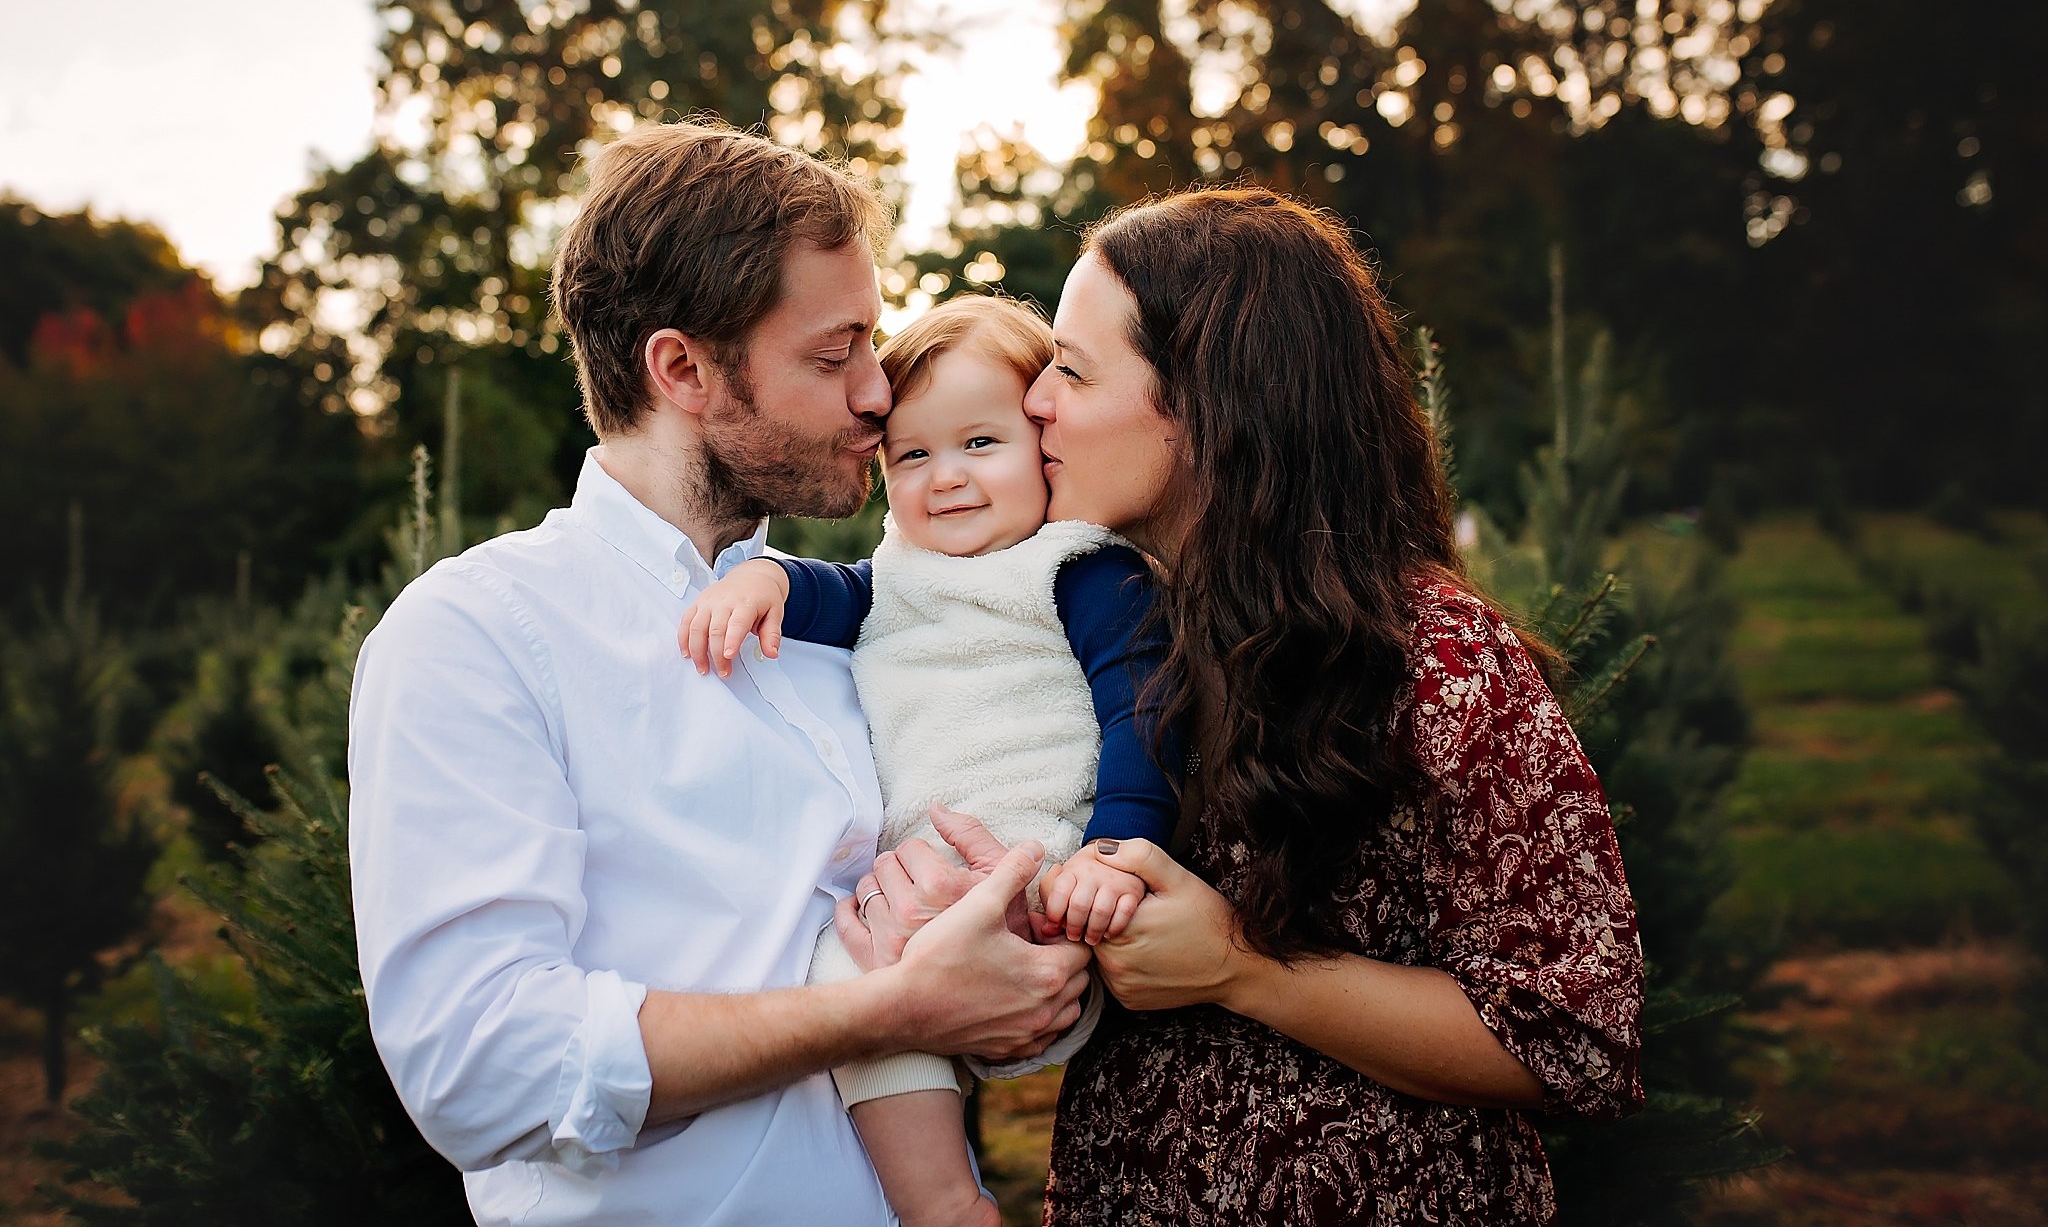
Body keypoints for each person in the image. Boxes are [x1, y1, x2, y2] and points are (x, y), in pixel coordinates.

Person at [845, 186, 1645, 1225]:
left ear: (1204, 405)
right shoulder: (1108, 632)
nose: (1033, 402)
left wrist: (1239, 967)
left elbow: (1574, 1040)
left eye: (1072, 373)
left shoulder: (1435, 659)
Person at [347, 120, 1093, 1226]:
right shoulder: (476, 634)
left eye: (871, 346)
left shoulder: (846, 621)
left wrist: (999, 946)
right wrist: (887, 1010)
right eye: (833, 354)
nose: (879, 395)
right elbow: (480, 1066)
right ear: (683, 368)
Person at [678, 294, 1183, 1227]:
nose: (945, 477)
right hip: (915, 895)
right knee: (842, 976)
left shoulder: (1078, 568)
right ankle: (945, 1202)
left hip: (1044, 872)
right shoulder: (901, 570)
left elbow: (1142, 711)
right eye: (913, 455)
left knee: (868, 978)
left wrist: (1115, 853)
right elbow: (837, 594)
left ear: (1044, 444)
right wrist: (767, 575)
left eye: (980, 443)